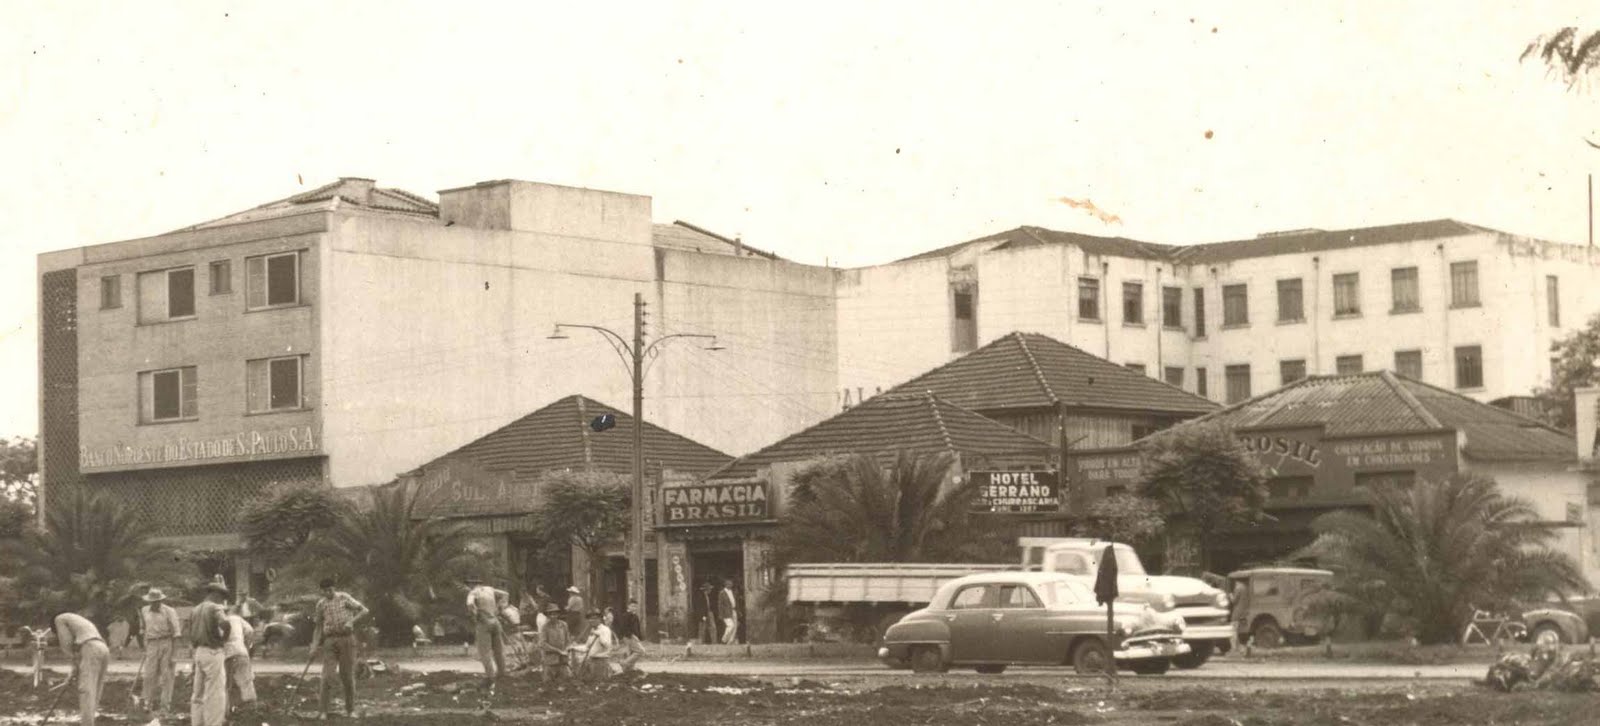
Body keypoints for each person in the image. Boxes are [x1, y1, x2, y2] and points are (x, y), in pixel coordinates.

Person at [311, 577, 370, 719]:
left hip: (347, 640)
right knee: (327, 677)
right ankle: (323, 711)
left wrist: (351, 621)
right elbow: (318, 626)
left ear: (334, 588)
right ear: (322, 591)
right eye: (325, 591)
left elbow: (364, 610)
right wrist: (313, 646)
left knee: (347, 677)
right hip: (330, 641)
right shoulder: (321, 604)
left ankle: (350, 710)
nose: (328, 592)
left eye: (330, 589)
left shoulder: (344, 598)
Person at [188, 580, 231, 726]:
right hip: (213, 651)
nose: (222, 599)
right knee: (215, 693)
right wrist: (224, 639)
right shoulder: (214, 607)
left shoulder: (196, 609)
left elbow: (189, 631)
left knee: (198, 693)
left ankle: (197, 723)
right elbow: (225, 623)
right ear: (215, 594)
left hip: (199, 651)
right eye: (222, 596)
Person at [54, 612, 108, 726]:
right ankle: (89, 721)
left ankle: (87, 724)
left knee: (86, 690)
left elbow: (67, 643)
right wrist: (75, 668)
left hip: (90, 648)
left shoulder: (59, 619)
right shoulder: (77, 620)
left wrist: (73, 666)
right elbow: (77, 649)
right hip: (103, 648)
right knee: (95, 690)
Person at [137, 587, 181, 715]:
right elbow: (143, 629)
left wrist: (174, 655)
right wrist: (145, 647)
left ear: (161, 600)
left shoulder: (169, 611)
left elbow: (176, 634)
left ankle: (165, 707)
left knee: (167, 676)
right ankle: (147, 704)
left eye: (157, 601)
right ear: (149, 601)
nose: (154, 603)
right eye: (152, 601)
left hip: (166, 642)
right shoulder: (144, 611)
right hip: (151, 644)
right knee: (149, 675)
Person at [465, 576, 509, 686]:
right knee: (498, 650)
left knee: (485, 652)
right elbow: (505, 594)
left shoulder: (473, 592)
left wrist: (475, 614)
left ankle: (490, 676)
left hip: (484, 622)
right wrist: (500, 608)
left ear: (471, 584)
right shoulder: (489, 589)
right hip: (495, 620)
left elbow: (470, 604)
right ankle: (502, 673)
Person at [224, 603, 257, 714]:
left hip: (226, 654)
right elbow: (250, 631)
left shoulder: (222, 619)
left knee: (226, 684)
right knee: (246, 681)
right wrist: (246, 645)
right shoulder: (237, 618)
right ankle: (251, 709)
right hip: (240, 651)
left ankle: (226, 711)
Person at [577, 610, 616, 680]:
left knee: (599, 684)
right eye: (590, 619)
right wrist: (574, 648)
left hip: (601, 662)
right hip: (591, 661)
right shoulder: (593, 630)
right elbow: (587, 647)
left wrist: (599, 635)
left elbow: (607, 645)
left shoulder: (605, 630)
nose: (592, 620)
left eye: (595, 618)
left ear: (600, 619)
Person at [537, 603, 571, 682]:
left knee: (564, 682)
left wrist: (566, 650)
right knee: (549, 683)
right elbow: (543, 644)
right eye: (550, 614)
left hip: (563, 660)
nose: (553, 616)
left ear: (558, 614)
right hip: (550, 660)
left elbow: (568, 640)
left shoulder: (563, 625)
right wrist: (558, 651)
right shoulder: (545, 627)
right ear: (548, 615)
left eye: (555, 614)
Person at [615, 599, 646, 673]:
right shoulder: (626, 616)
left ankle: (628, 669)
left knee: (631, 652)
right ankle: (624, 663)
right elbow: (624, 628)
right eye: (632, 606)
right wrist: (632, 635)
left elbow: (637, 628)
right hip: (628, 636)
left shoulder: (635, 616)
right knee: (640, 651)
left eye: (635, 606)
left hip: (634, 636)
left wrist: (639, 636)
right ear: (628, 606)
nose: (634, 608)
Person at [719, 579, 740, 645]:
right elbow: (720, 604)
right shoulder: (722, 593)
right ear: (726, 584)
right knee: (731, 626)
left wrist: (738, 611)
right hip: (726, 612)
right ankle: (724, 640)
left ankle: (730, 642)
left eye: (731, 584)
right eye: (729, 584)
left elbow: (736, 602)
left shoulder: (732, 592)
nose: (731, 585)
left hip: (734, 610)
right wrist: (721, 614)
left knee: (735, 627)